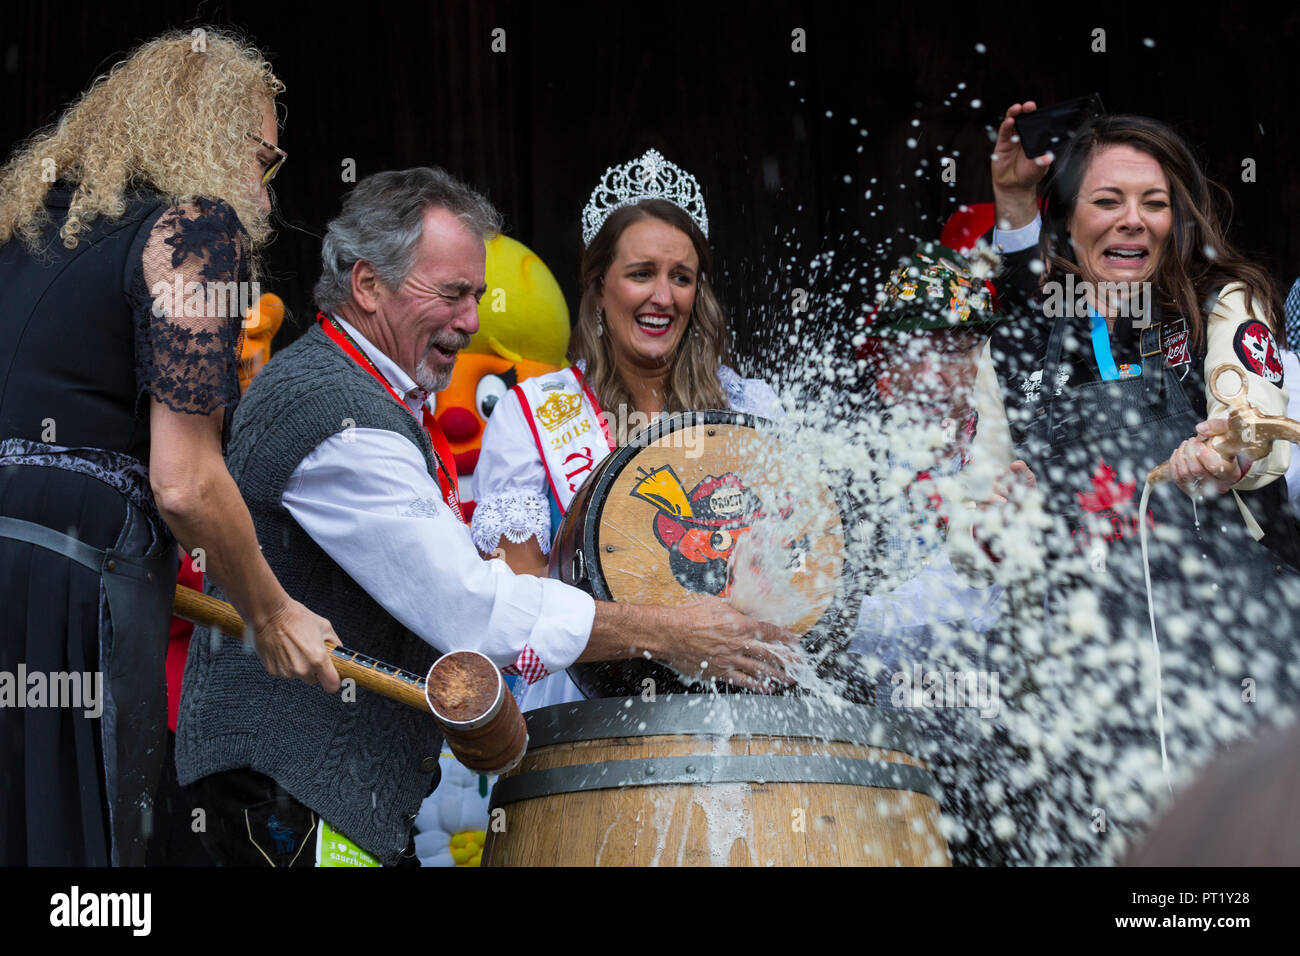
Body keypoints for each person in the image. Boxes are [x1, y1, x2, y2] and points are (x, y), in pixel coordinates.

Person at [176, 167, 796, 867]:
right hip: (286, 802)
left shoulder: (374, 399)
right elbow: (474, 605)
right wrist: (676, 632)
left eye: (474, 296)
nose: (470, 321)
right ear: (368, 284)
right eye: (450, 294)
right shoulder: (337, 415)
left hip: (328, 803)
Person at [0, 28, 339, 867]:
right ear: (213, 141)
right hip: (77, 577)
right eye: (264, 161)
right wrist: (272, 613)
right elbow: (185, 483)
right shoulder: (195, 229)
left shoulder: (16, 227)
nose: (265, 198)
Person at [980, 105, 1300, 859]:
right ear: (1071, 219)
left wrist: (1226, 451)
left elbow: (1257, 418)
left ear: (1178, 218)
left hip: (1226, 648)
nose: (1132, 222)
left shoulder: (1223, 302)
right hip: (1079, 662)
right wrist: (993, 515)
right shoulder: (1037, 334)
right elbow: (980, 501)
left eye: (1153, 203)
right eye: (1107, 201)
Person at [470, 149, 784, 710]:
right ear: (599, 286)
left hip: (740, 703)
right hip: (587, 715)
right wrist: (672, 632)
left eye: (681, 278)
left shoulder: (749, 406)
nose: (662, 297)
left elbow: (796, 560)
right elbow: (517, 609)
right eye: (641, 274)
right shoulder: (530, 414)